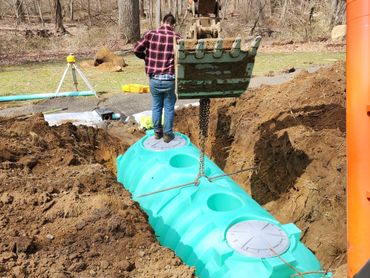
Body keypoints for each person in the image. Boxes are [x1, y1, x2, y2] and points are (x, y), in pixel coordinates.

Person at [134, 13, 181, 143]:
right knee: (169, 107)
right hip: (170, 80)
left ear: (162, 22)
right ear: (173, 25)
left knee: (156, 105)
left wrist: (146, 58)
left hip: (154, 79)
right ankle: (167, 134)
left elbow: (136, 49)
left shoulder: (150, 34)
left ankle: (157, 132)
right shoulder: (177, 37)